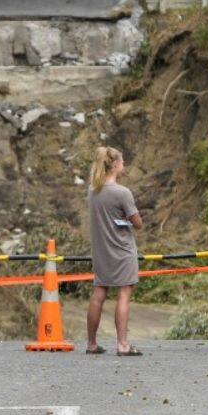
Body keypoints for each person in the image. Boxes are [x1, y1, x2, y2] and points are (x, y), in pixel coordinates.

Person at [85, 146, 143, 356]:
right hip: (122, 249)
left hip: (101, 250)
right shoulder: (122, 192)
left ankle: (92, 344)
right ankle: (122, 344)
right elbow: (138, 223)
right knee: (124, 294)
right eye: (122, 161)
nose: (124, 165)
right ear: (115, 164)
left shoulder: (93, 190)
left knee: (98, 293)